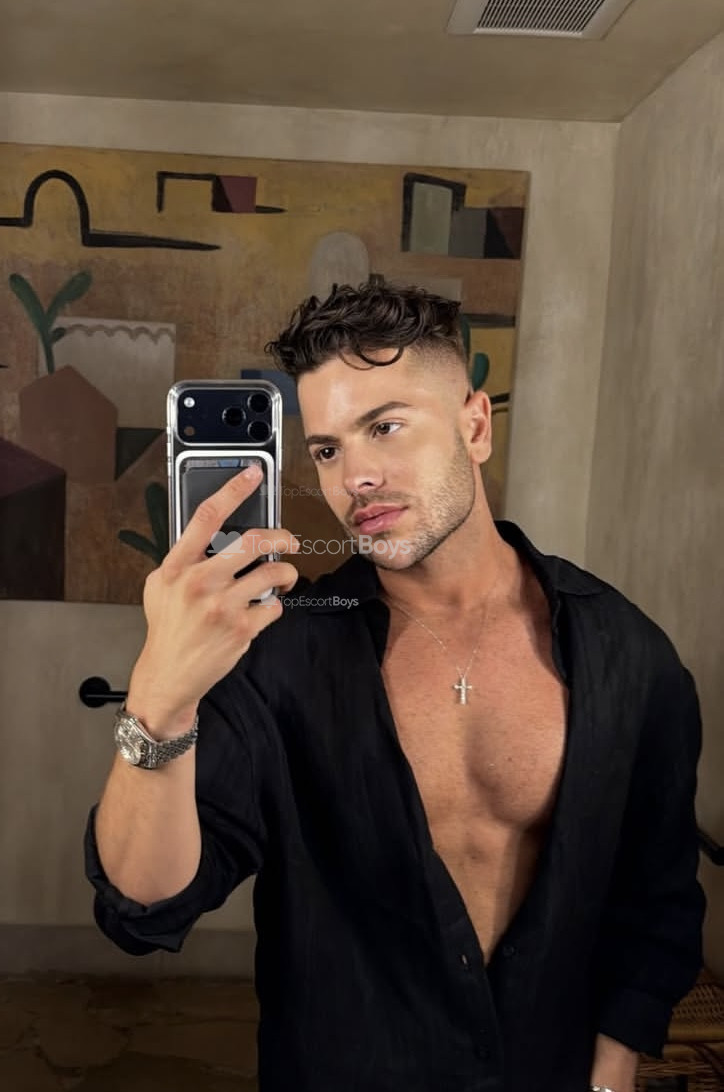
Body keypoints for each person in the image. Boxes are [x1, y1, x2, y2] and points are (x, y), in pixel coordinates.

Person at [85, 282, 706, 1092]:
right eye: (327, 450)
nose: (356, 477)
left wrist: (613, 1067)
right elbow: (143, 906)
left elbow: (657, 890)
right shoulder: (283, 652)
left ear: (474, 426)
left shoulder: (627, 653)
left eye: (385, 426)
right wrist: (159, 701)